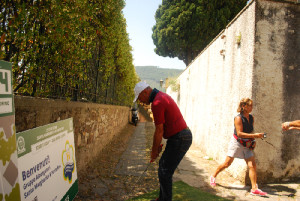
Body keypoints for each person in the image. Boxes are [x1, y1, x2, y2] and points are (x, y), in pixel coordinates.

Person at [133, 81, 192, 201]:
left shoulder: (157, 102)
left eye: (140, 98)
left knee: (165, 171)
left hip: (180, 138)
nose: (140, 101)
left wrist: (153, 151)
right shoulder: (160, 96)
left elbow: (159, 130)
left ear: (145, 92)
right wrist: (158, 146)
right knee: (163, 168)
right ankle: (162, 198)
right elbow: (163, 128)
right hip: (179, 137)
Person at [210, 98, 267, 196]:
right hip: (237, 143)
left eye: (252, 105)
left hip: (247, 144)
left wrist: (253, 141)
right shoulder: (238, 118)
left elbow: (250, 132)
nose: (252, 107)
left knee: (252, 165)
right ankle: (213, 176)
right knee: (227, 163)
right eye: (250, 105)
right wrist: (256, 136)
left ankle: (254, 188)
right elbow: (240, 134)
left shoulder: (251, 117)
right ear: (244, 106)